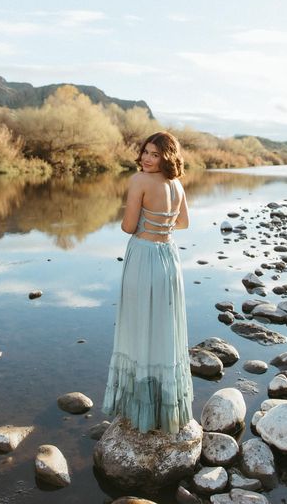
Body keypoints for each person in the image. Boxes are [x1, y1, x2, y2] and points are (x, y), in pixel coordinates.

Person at [102, 131, 194, 434]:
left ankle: (140, 408)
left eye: (154, 154)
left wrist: (142, 221)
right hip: (169, 257)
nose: (146, 158)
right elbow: (183, 223)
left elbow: (128, 226)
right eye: (145, 151)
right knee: (165, 328)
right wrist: (160, 223)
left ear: (166, 157)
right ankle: (165, 407)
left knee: (140, 325)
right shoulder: (177, 184)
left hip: (144, 255)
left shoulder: (139, 181)